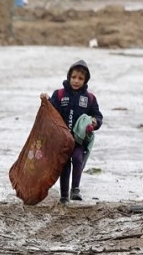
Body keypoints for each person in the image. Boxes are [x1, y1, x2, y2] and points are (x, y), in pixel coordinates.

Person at [40, 60, 103, 204]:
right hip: (62, 140)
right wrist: (46, 100)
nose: (76, 81)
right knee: (65, 166)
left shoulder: (90, 98)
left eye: (80, 78)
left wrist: (94, 123)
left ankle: (75, 189)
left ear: (85, 80)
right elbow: (51, 111)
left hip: (79, 140)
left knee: (78, 159)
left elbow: (98, 116)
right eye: (74, 77)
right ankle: (63, 196)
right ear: (69, 77)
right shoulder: (60, 94)